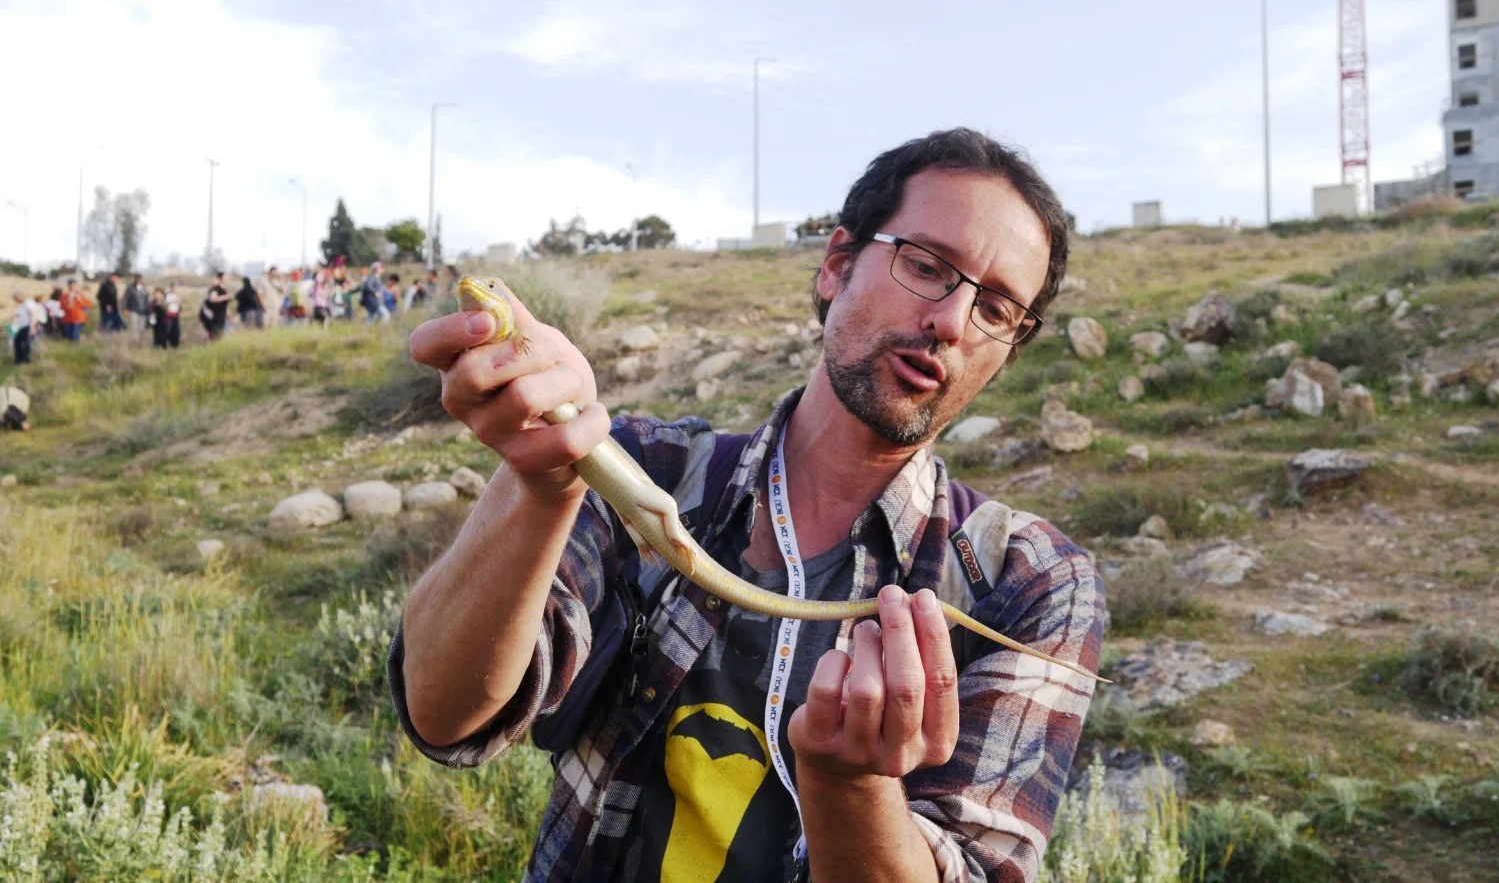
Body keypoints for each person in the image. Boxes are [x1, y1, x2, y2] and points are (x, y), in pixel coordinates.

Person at [392, 129, 1100, 883]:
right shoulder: (641, 468)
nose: (952, 322)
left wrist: (850, 787)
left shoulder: (1028, 582)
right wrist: (541, 483)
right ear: (837, 266)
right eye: (925, 265)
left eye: (996, 309)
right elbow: (444, 715)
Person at [9, 292, 40, 364]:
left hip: (28, 326)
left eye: (16, 298)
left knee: (26, 343)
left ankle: (25, 360)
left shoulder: (28, 303)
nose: (15, 300)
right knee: (18, 342)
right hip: (22, 327)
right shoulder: (20, 305)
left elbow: (32, 314)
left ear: (20, 296)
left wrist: (32, 327)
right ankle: (19, 360)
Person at [200, 273, 231, 342]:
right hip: (214, 317)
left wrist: (228, 316)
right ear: (221, 279)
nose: (227, 278)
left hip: (221, 316)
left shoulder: (223, 289)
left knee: (218, 335)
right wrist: (225, 297)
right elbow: (213, 299)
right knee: (214, 335)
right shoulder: (215, 289)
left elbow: (225, 306)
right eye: (225, 277)